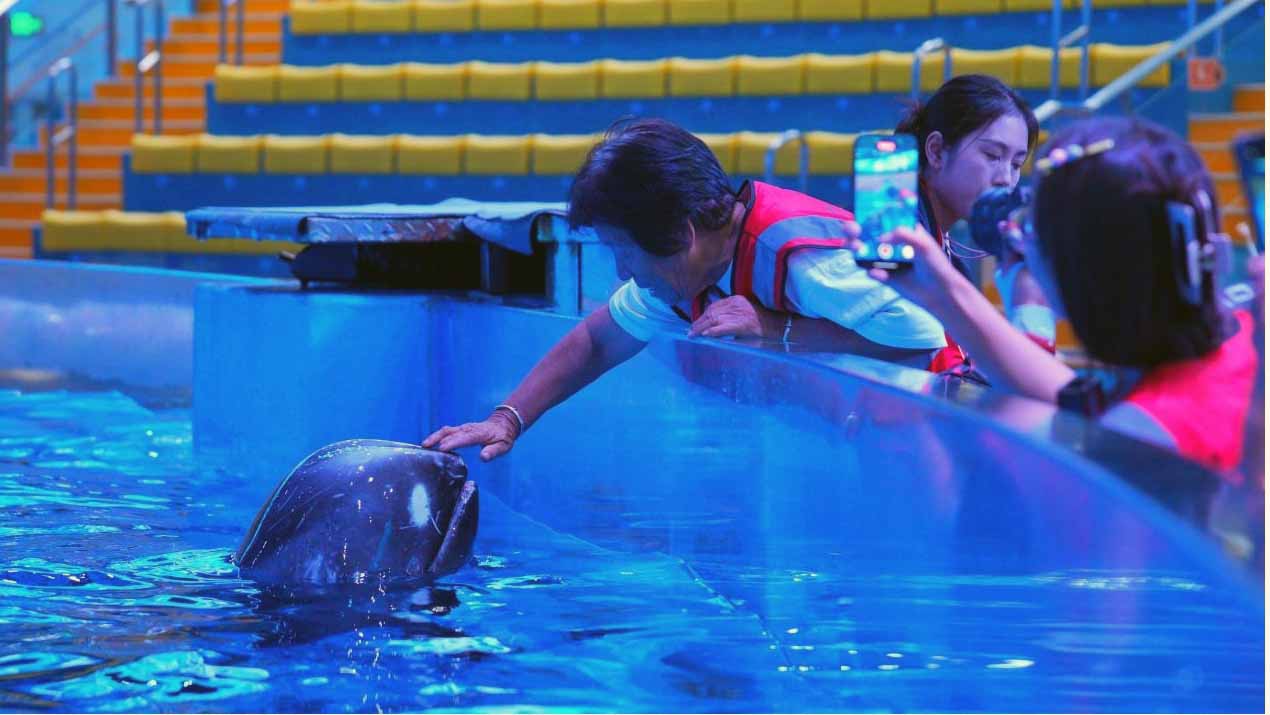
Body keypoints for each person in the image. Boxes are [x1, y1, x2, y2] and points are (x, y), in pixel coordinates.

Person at [424, 117, 947, 461]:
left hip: (943, 426)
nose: (624, 271)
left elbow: (926, 337)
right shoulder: (686, 271)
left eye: (624, 250)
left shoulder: (803, 260)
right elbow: (597, 342)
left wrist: (779, 328)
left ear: (682, 235)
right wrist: (508, 419)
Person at [861, 117, 1258, 476]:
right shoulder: (1245, 335)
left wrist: (1028, 309)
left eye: (1034, 228)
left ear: (1084, 277)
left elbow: (1000, 466)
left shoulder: (1139, 442)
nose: (1020, 239)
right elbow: (1072, 397)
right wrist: (942, 292)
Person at [893, 74, 1051, 367]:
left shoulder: (945, 253)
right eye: (992, 155)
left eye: (1017, 164)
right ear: (936, 151)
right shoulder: (895, 248)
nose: (1006, 179)